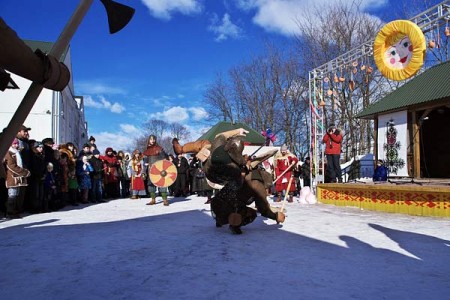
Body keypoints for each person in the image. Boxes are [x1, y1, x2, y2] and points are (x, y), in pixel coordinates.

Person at [173, 128, 285, 234]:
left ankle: (221, 219)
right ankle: (234, 225)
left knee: (205, 144)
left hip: (217, 203)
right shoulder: (255, 184)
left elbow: (220, 136)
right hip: (225, 191)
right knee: (249, 212)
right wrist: (276, 216)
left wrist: (237, 131)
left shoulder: (219, 146)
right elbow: (263, 209)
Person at [3, 138, 31, 218]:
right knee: (12, 195)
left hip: (18, 177)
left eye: (17, 144)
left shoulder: (17, 152)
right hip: (12, 177)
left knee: (16, 195)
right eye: (14, 144)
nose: (16, 145)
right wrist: (24, 172)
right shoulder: (9, 152)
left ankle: (14, 211)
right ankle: (9, 212)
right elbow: (11, 166)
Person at [143, 135, 169, 206]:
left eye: (154, 139)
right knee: (151, 185)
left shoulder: (159, 149)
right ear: (149, 140)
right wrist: (144, 171)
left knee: (162, 184)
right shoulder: (146, 151)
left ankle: (165, 200)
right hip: (150, 170)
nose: (152, 140)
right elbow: (145, 163)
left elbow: (164, 159)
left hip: (160, 169)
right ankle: (153, 200)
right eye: (151, 139)